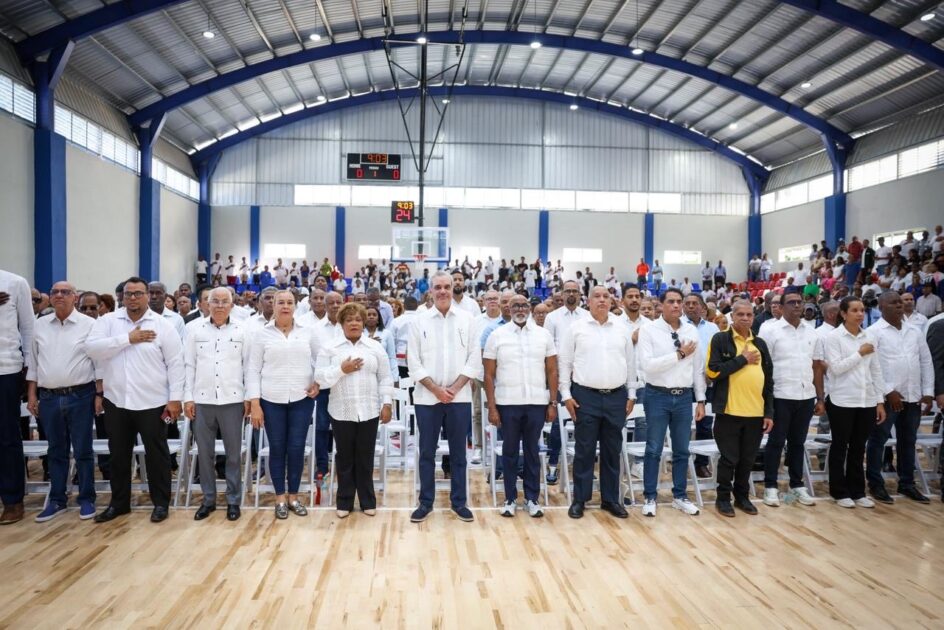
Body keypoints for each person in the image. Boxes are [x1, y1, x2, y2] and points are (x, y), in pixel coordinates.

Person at [86, 277, 184, 524]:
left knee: (157, 455)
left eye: (138, 293)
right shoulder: (107, 322)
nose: (132, 298)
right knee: (118, 455)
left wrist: (175, 400)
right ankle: (119, 504)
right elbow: (92, 349)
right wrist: (127, 339)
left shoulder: (163, 325)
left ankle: (160, 503)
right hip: (116, 400)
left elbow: (175, 364)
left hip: (153, 402)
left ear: (147, 296)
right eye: (128, 294)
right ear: (122, 297)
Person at [407, 271, 480, 524]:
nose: (443, 291)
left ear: (453, 289)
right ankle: (425, 502)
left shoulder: (468, 320)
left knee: (459, 453)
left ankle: (459, 502)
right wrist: (436, 389)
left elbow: (474, 359)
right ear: (430, 291)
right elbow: (413, 361)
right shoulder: (418, 321)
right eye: (437, 287)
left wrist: (456, 387)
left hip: (459, 398)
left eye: (447, 287)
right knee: (426, 451)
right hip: (427, 398)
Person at [558, 286, 637, 519]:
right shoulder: (576, 328)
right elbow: (565, 363)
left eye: (605, 297)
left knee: (613, 450)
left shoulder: (622, 328)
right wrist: (566, 395)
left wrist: (631, 393)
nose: (602, 300)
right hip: (585, 396)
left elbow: (631, 363)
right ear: (588, 301)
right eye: (597, 297)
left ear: (611, 301)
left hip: (616, 396)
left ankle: (611, 499)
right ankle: (580, 499)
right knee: (585, 450)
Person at [25, 282, 98, 522]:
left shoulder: (90, 325)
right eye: (54, 292)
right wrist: (32, 394)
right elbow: (33, 363)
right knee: (55, 451)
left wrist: (99, 394)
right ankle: (57, 499)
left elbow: (99, 362)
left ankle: (86, 498)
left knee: (83, 450)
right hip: (48, 397)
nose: (58, 295)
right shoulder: (40, 325)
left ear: (74, 298)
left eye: (64, 292)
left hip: (81, 395)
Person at [247, 290, 322, 520]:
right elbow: (253, 370)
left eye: (290, 302)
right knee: (277, 449)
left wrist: (318, 382)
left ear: (296, 306)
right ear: (273, 305)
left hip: (301, 400)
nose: (285, 306)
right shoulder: (261, 335)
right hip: (271, 400)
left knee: (297, 449)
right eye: (281, 302)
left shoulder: (308, 333)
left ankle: (294, 496)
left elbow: (322, 362)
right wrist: (255, 403)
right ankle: (280, 497)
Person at [316, 302, 393, 518]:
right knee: (344, 457)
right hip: (341, 409)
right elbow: (320, 379)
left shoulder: (375, 347)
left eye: (358, 319)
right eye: (349, 320)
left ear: (364, 322)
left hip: (369, 409)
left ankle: (368, 500)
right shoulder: (330, 348)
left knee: (365, 456)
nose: (354, 323)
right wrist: (342, 370)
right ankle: (344, 501)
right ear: (341, 323)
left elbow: (385, 377)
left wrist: (386, 403)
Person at [483, 294, 557, 518]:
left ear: (530, 307)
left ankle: (532, 499)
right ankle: (510, 498)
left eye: (524, 305)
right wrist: (492, 407)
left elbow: (552, 370)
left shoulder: (543, 335)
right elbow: (488, 375)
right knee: (510, 452)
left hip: (536, 403)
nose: (520, 308)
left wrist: (552, 402)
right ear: (508, 308)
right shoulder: (497, 335)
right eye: (515, 305)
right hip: (508, 403)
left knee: (533, 451)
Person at [636, 288, 707, 517]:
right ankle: (649, 496)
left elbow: (698, 370)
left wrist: (702, 399)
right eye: (672, 302)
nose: (677, 305)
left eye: (680, 301)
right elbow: (648, 366)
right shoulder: (648, 330)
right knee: (654, 448)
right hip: (657, 395)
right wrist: (679, 355)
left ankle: (680, 496)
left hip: (685, 397)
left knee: (682, 450)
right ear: (661, 305)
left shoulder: (691, 331)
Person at [183, 288, 251, 522]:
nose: (220, 306)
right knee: (204, 454)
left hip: (232, 400)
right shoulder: (193, 329)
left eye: (225, 302)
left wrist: (249, 397)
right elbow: (188, 365)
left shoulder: (243, 330)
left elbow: (249, 367)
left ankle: (233, 500)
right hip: (202, 401)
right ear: (206, 305)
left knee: (233, 455)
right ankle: (208, 499)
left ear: (232, 305)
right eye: (215, 302)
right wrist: (187, 397)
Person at [705, 301, 774, 517]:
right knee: (729, 459)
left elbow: (769, 381)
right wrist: (742, 360)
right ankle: (723, 498)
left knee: (747, 459)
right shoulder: (720, 339)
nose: (745, 318)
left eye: (749, 314)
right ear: (732, 316)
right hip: (729, 411)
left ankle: (742, 497)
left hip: (755, 413)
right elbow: (713, 372)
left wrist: (769, 412)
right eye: (740, 314)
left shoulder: (760, 344)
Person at [864, 291, 934, 504]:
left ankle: (907, 483)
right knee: (878, 440)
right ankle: (875, 483)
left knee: (908, 440)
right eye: (894, 302)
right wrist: (888, 391)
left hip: (913, 395)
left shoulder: (915, 331)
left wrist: (928, 391)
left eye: (901, 302)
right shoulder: (873, 333)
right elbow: (871, 366)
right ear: (882, 306)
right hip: (887, 398)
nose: (899, 305)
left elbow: (925, 361)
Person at [823, 296, 888, 509]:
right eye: (854, 310)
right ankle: (839, 491)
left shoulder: (869, 335)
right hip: (842, 399)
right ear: (843, 314)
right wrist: (860, 353)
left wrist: (879, 401)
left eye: (862, 310)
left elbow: (876, 370)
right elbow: (837, 368)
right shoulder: (833, 337)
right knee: (840, 446)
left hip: (867, 399)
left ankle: (858, 491)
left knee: (859, 447)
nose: (860, 314)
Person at [756, 288, 818, 507]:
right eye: (791, 302)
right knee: (775, 442)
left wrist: (819, 397)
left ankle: (796, 485)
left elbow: (816, 365)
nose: (797, 305)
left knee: (798, 443)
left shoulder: (811, 331)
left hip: (805, 395)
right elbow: (763, 366)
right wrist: (766, 400)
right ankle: (770, 487)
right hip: (781, 394)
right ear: (780, 307)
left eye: (799, 302)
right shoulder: (770, 331)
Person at [543, 280, 590, 484]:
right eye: (567, 291)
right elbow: (549, 349)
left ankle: (585, 467)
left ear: (580, 295)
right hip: (562, 377)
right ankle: (553, 465)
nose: (571, 294)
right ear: (561, 294)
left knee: (586, 424)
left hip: (583, 377)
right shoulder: (552, 318)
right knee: (558, 424)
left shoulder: (588, 316)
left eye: (575, 291)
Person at [0, 269, 33, 525]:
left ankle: (12, 500)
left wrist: (30, 369)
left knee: (7, 436)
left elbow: (28, 328)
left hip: (6, 369)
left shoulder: (14, 282)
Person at [682, 293, 720, 478]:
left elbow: (717, 354)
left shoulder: (713, 328)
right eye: (687, 304)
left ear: (702, 307)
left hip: (708, 383)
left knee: (705, 426)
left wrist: (711, 375)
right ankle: (680, 462)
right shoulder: (678, 327)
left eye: (694, 303)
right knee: (681, 426)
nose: (691, 307)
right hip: (684, 383)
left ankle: (701, 463)